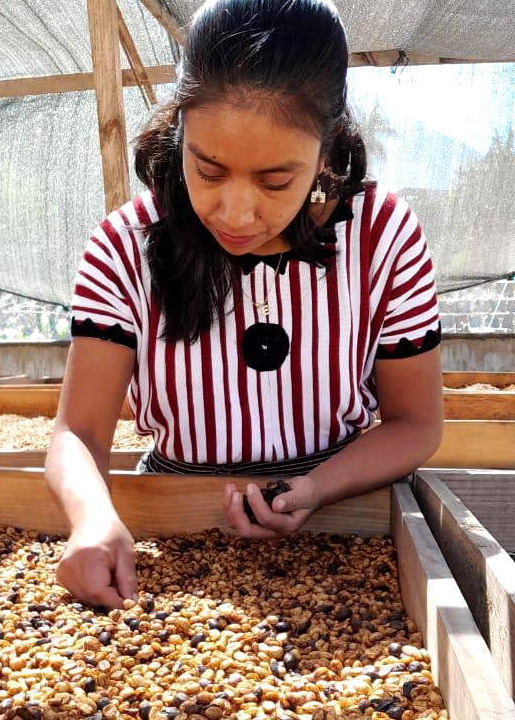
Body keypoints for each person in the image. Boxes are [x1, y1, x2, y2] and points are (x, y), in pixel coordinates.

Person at [45, 0, 443, 609]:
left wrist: (312, 490)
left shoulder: (381, 235)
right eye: (207, 169)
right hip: (173, 523)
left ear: (326, 148)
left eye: (274, 182)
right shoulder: (127, 244)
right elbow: (79, 430)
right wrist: (92, 517)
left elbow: (416, 423)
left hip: (347, 506)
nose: (234, 213)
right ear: (181, 130)